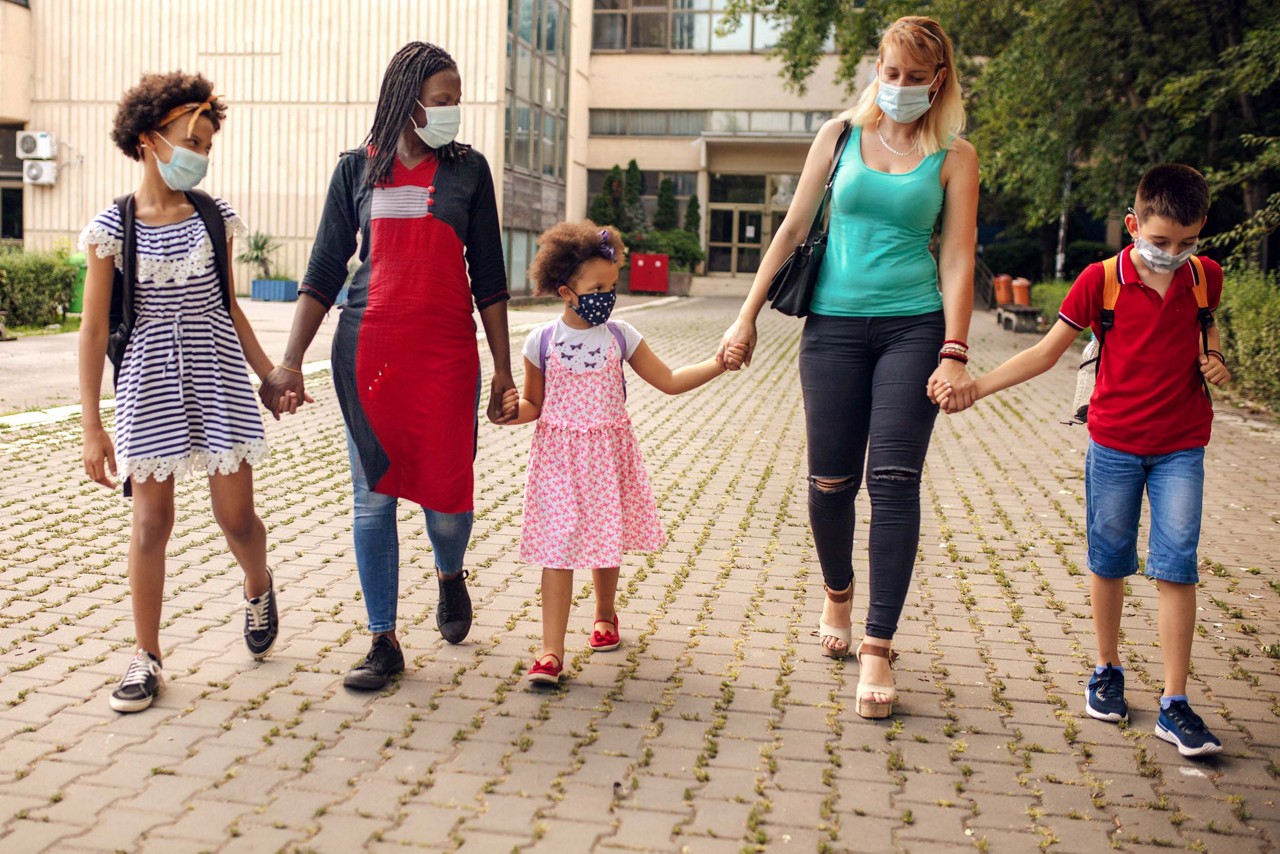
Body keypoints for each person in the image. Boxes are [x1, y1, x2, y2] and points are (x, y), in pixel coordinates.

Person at [717, 15, 979, 718]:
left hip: (914, 328)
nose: (897, 87)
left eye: (914, 78)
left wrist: (954, 348)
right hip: (831, 329)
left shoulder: (956, 155)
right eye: (889, 73)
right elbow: (793, 229)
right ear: (877, 70)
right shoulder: (838, 137)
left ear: (938, 81)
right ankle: (838, 591)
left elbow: (956, 256)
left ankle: (878, 645)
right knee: (831, 483)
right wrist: (744, 315)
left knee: (894, 482)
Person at [935, 164, 1229, 757]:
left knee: (1177, 564)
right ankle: (1107, 670)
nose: (1175, 253)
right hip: (1115, 443)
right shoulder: (1101, 281)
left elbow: (1207, 329)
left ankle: (1175, 703)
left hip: (1181, 445)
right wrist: (976, 384)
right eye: (1162, 240)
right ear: (1133, 224)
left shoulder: (1205, 277)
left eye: (1188, 242)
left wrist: (1215, 358)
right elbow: (1046, 355)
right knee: (1110, 558)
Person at [257, 42, 516, 691]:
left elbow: (488, 277)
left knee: (448, 506)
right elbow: (323, 270)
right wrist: (289, 362)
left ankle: (450, 574)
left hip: (449, 357)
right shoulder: (357, 171)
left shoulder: (469, 173)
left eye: (457, 100)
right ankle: (383, 640)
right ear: (408, 99)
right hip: (369, 355)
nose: (454, 110)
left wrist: (506, 373)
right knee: (373, 502)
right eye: (444, 99)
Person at [78, 71, 284, 713]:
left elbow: (230, 308)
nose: (199, 154)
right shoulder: (113, 227)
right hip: (147, 385)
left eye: (208, 145)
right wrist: (92, 425)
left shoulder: (213, 216)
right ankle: (147, 656)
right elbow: (90, 332)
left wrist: (270, 373)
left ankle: (258, 585)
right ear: (149, 139)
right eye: (190, 140)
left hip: (219, 375)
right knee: (149, 525)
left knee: (236, 519)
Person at [501, 222, 745, 685]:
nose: (607, 297)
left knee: (604, 537)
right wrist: (511, 412)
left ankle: (605, 614)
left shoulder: (620, 336)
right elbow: (534, 404)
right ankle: (551, 652)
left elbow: (669, 381)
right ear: (565, 291)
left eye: (612, 287)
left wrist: (719, 364)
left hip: (608, 456)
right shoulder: (542, 341)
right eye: (597, 288)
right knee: (558, 548)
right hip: (557, 460)